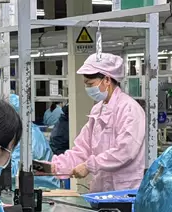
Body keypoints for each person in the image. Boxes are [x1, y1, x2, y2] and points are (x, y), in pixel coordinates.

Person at [42, 53, 145, 191]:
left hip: (126, 190)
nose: (88, 89)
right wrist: (57, 165)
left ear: (107, 79)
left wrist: (89, 165)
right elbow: (83, 149)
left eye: (90, 84)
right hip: (101, 190)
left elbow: (125, 151)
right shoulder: (98, 110)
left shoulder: (129, 109)